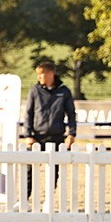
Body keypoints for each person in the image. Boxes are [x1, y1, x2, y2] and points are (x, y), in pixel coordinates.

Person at [22, 59, 77, 198]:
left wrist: (72, 134)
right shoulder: (35, 91)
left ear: (50, 73)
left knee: (54, 170)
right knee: (30, 168)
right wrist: (28, 134)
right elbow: (28, 113)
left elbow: (71, 114)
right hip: (37, 137)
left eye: (41, 74)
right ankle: (25, 197)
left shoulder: (64, 92)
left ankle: (49, 198)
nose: (38, 77)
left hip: (57, 137)